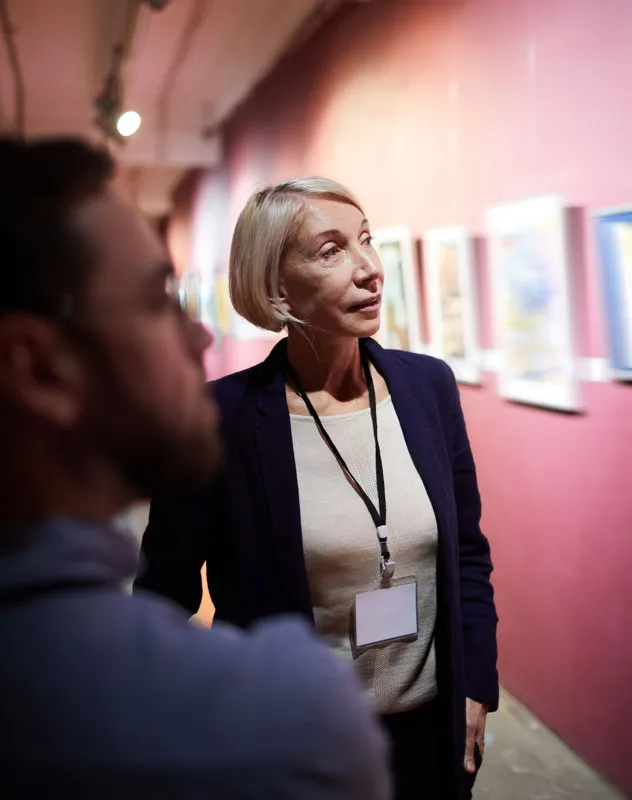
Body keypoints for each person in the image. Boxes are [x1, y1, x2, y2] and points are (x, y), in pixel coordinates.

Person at [0, 141, 390, 799]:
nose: (199, 337)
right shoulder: (284, 722)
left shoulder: (420, 387)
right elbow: (171, 579)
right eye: (157, 301)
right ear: (38, 366)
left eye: (367, 241)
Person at [136, 176, 500, 800]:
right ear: (276, 286)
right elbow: (160, 600)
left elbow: (466, 551)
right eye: (330, 251)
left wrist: (475, 685)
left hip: (427, 735)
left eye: (365, 240)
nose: (368, 269)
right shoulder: (218, 418)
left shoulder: (429, 388)